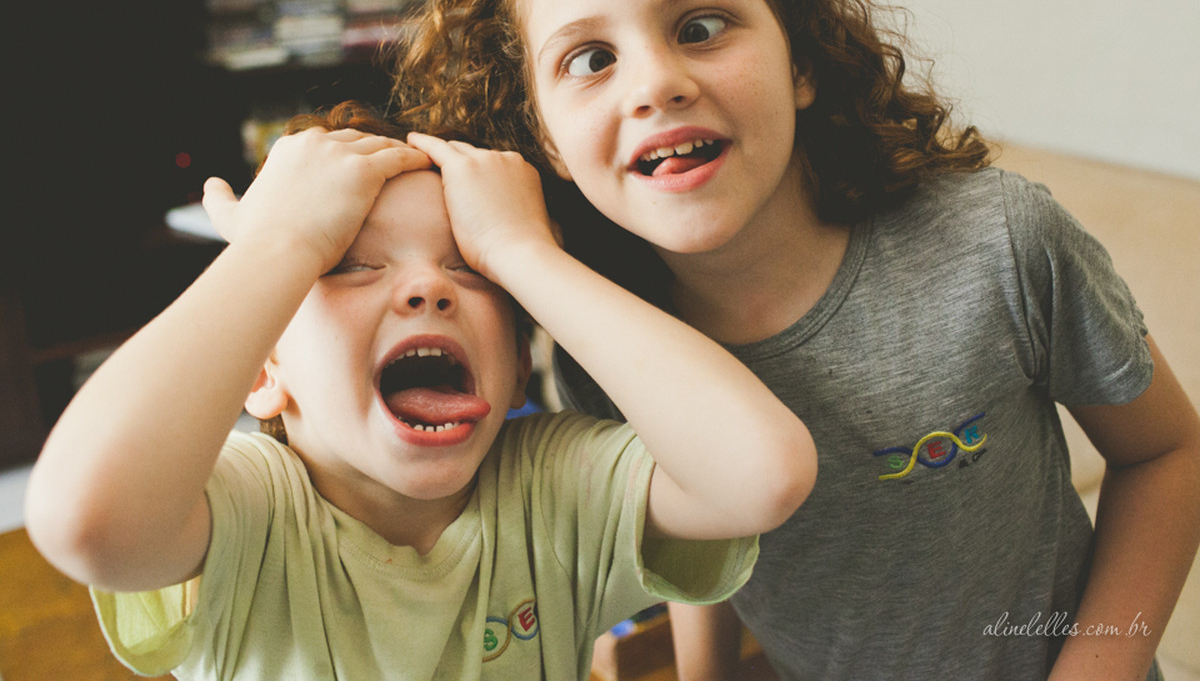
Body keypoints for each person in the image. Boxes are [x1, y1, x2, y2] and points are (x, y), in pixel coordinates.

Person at [388, 0, 1200, 678]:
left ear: (801, 62)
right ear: (549, 144)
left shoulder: (997, 241)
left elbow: (1170, 452)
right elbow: (702, 525)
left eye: (701, 27)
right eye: (591, 59)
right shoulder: (608, 343)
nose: (656, 84)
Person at [23, 102, 818, 680]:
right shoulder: (249, 512)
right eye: (350, 264)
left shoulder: (556, 488)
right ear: (262, 372)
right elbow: (84, 519)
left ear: (513, 363)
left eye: (471, 270)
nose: (426, 292)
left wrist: (521, 248)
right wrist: (280, 243)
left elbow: (763, 473)